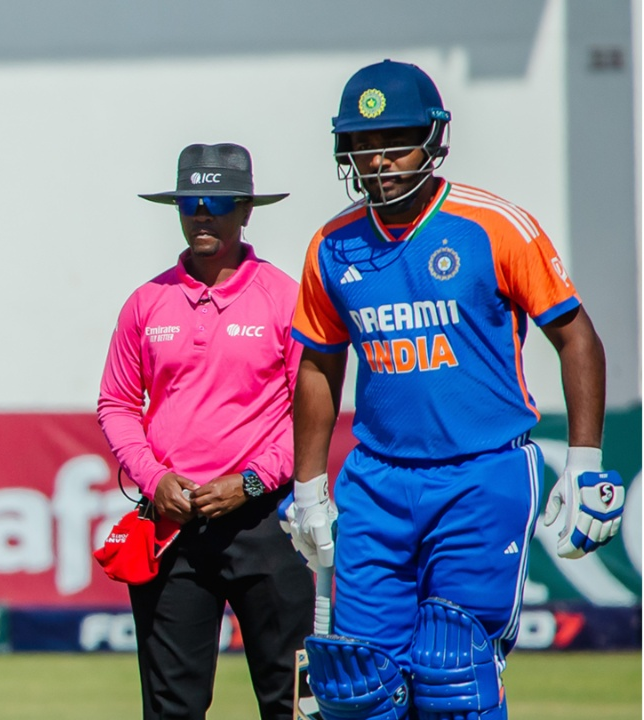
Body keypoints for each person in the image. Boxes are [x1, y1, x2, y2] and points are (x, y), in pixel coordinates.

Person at [286, 60, 623, 720]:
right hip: (377, 482)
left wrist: (584, 464)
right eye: (362, 143)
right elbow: (319, 366)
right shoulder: (332, 245)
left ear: (434, 139)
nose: (379, 159)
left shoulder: (494, 225)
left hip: (481, 475)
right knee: (359, 685)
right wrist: (307, 488)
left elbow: (576, 337)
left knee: (453, 675)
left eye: (396, 140)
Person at [98, 143, 314, 720]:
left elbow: (310, 414)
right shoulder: (146, 302)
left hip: (266, 521)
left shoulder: (284, 298)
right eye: (190, 203)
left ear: (245, 210)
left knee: (294, 703)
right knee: (172, 708)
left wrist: (250, 481)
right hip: (174, 523)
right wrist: (153, 479)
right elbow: (116, 404)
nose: (202, 215)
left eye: (217, 203)